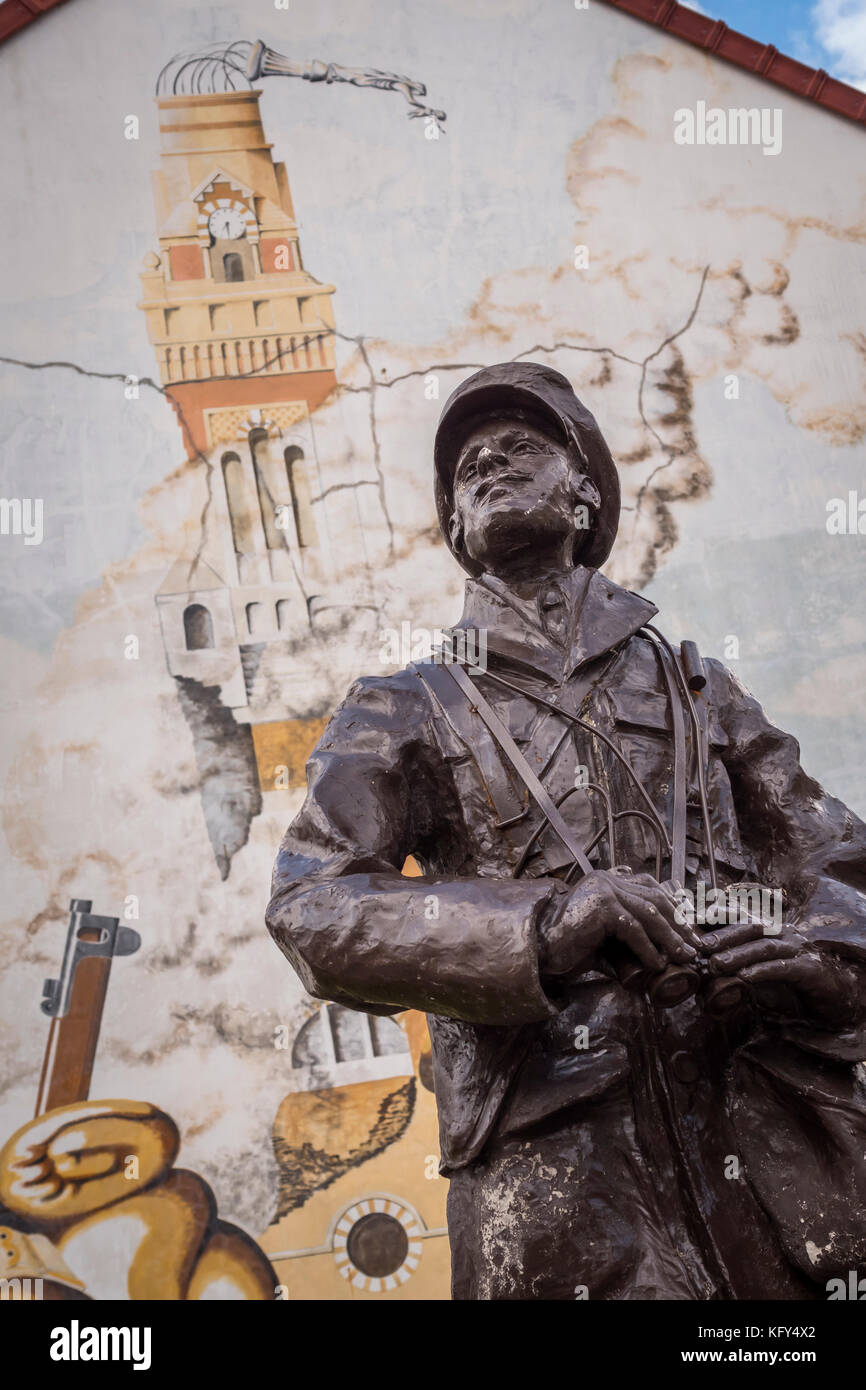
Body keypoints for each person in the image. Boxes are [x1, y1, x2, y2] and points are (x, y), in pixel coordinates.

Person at [266, 361, 866, 1299]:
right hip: (551, 1167)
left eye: (524, 449)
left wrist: (817, 957)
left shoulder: (696, 685)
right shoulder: (405, 703)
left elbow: (834, 861)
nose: (492, 464)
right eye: (469, 468)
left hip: (753, 1135)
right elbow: (313, 905)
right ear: (460, 532)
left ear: (585, 491)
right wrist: (542, 925)